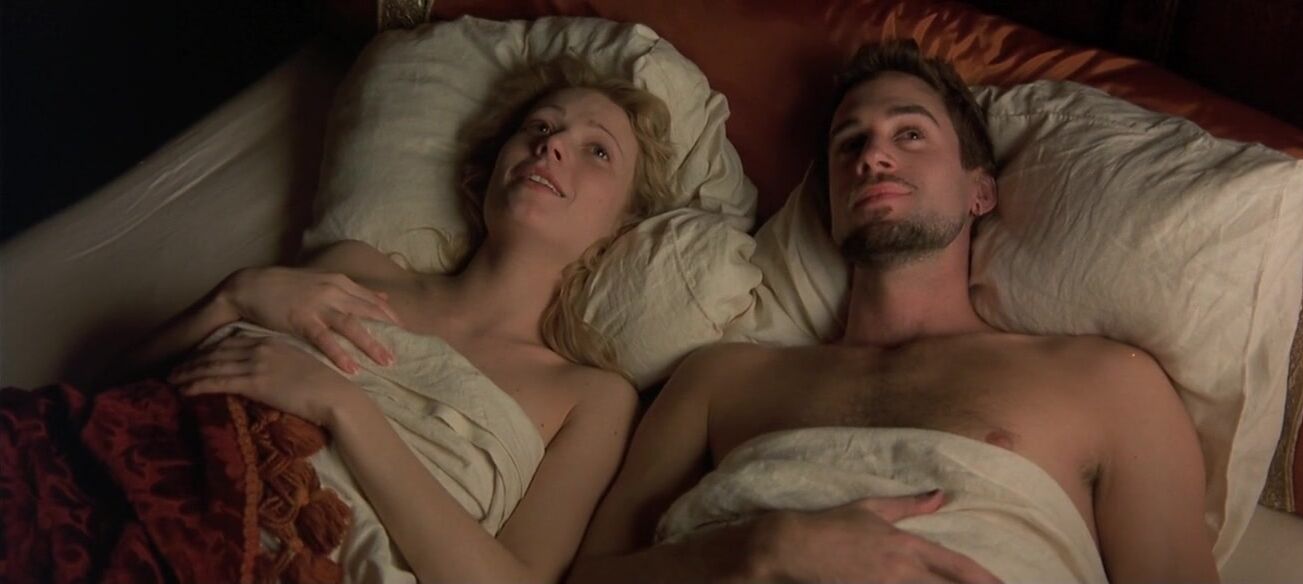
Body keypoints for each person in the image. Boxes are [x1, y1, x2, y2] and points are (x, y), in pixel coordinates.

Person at [568, 40, 1219, 583]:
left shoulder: (1109, 383)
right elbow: (590, 576)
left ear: (979, 190)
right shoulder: (719, 381)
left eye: (909, 134)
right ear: (828, 205)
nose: (872, 157)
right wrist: (758, 548)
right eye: (849, 144)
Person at [116, 55, 676, 584]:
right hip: (140, 486)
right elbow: (117, 384)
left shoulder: (591, 398)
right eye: (540, 126)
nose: (551, 144)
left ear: (624, 224)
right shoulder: (351, 266)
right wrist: (232, 297)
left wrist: (345, 408)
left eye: (597, 151)